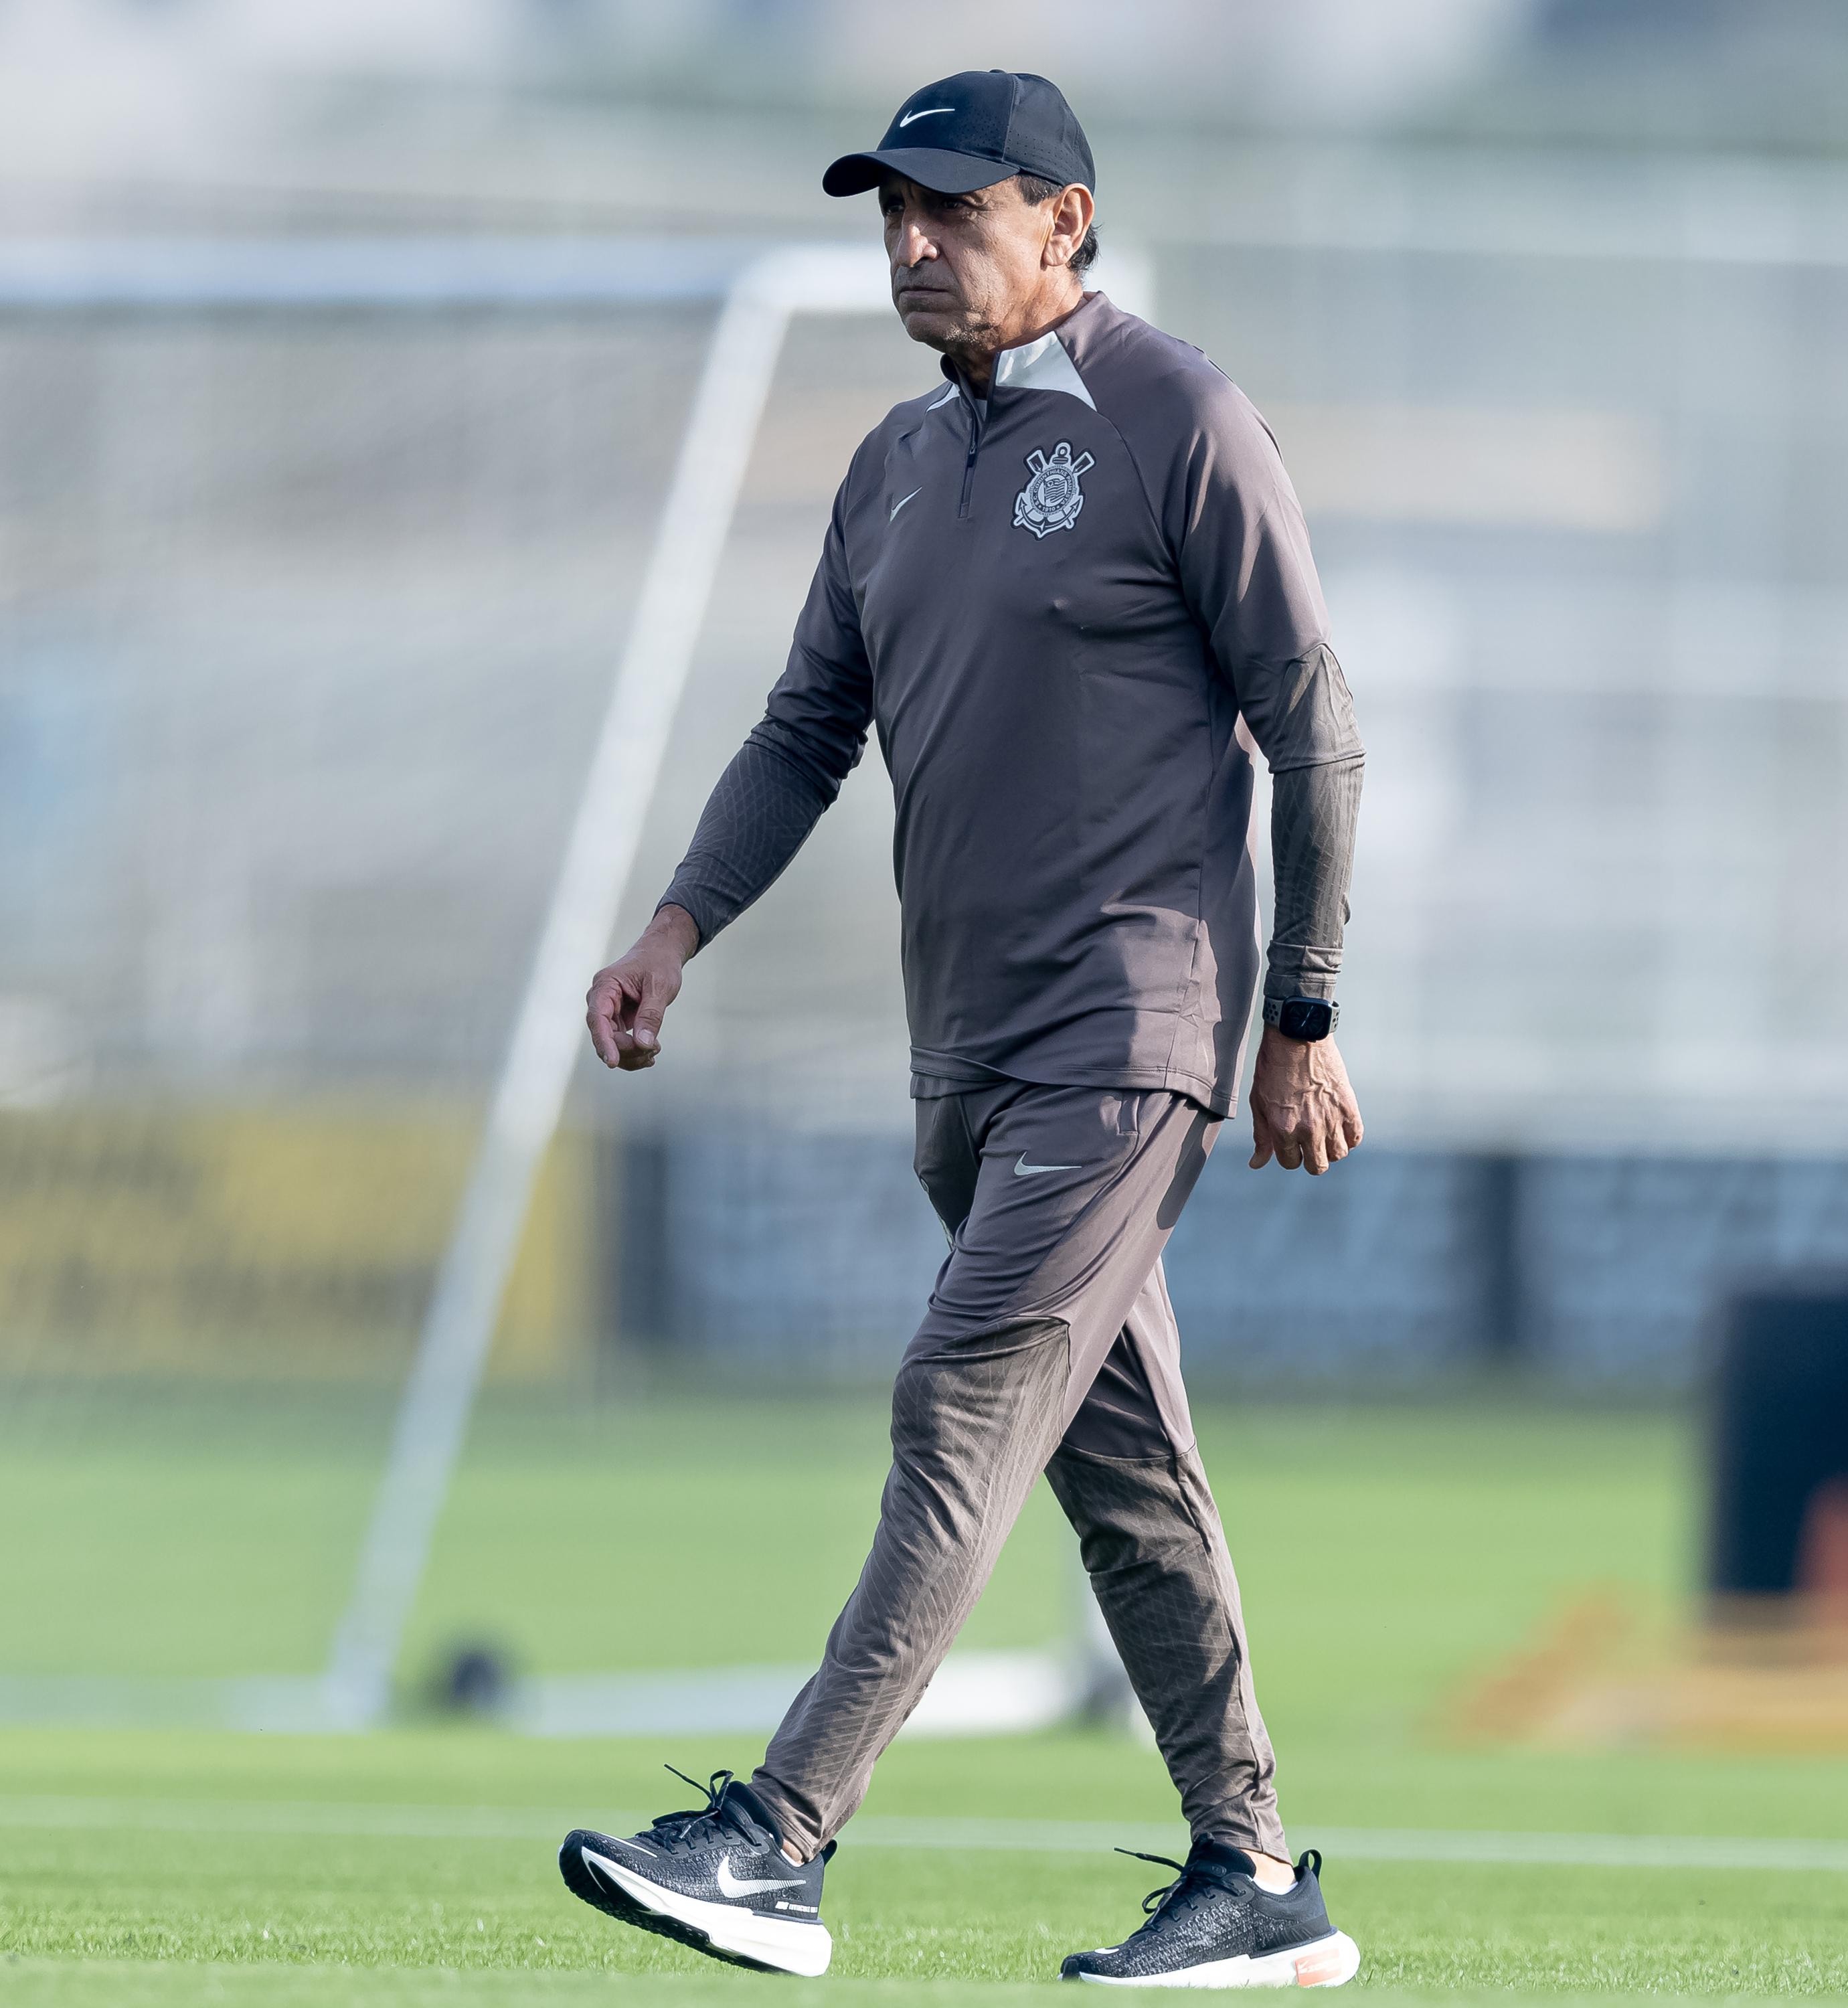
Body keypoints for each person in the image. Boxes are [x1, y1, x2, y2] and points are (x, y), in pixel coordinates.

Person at [560, 68, 1365, 1989]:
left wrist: (1302, 1009)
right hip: (969, 1063)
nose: (913, 247)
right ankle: (1252, 1878)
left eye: (953, 213)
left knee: (958, 1393)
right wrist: (677, 925)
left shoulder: (1178, 415)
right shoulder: (893, 466)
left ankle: (774, 1835)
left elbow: (1315, 723)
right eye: (889, 218)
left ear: (1062, 221)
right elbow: (799, 732)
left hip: (1130, 1027)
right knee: (1125, 1480)